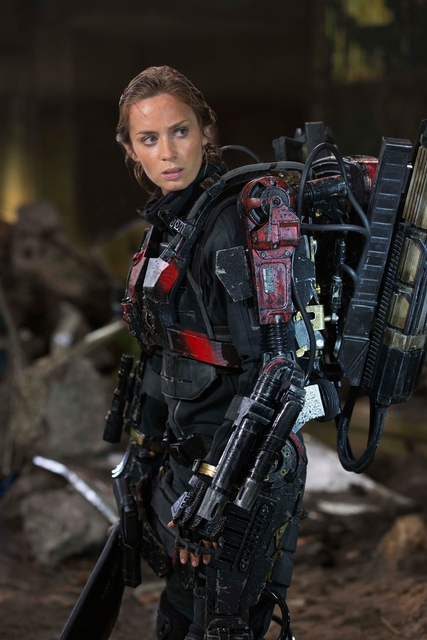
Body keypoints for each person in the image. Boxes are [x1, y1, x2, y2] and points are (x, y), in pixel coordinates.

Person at [113, 65, 307, 640]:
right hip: (187, 465)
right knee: (179, 615)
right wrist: (144, 450)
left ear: (206, 132)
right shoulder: (171, 224)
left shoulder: (231, 226)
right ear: (130, 149)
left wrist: (215, 491)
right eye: (149, 138)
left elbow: (273, 372)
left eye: (180, 131)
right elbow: (161, 352)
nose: (168, 152)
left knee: (220, 626)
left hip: (237, 474)